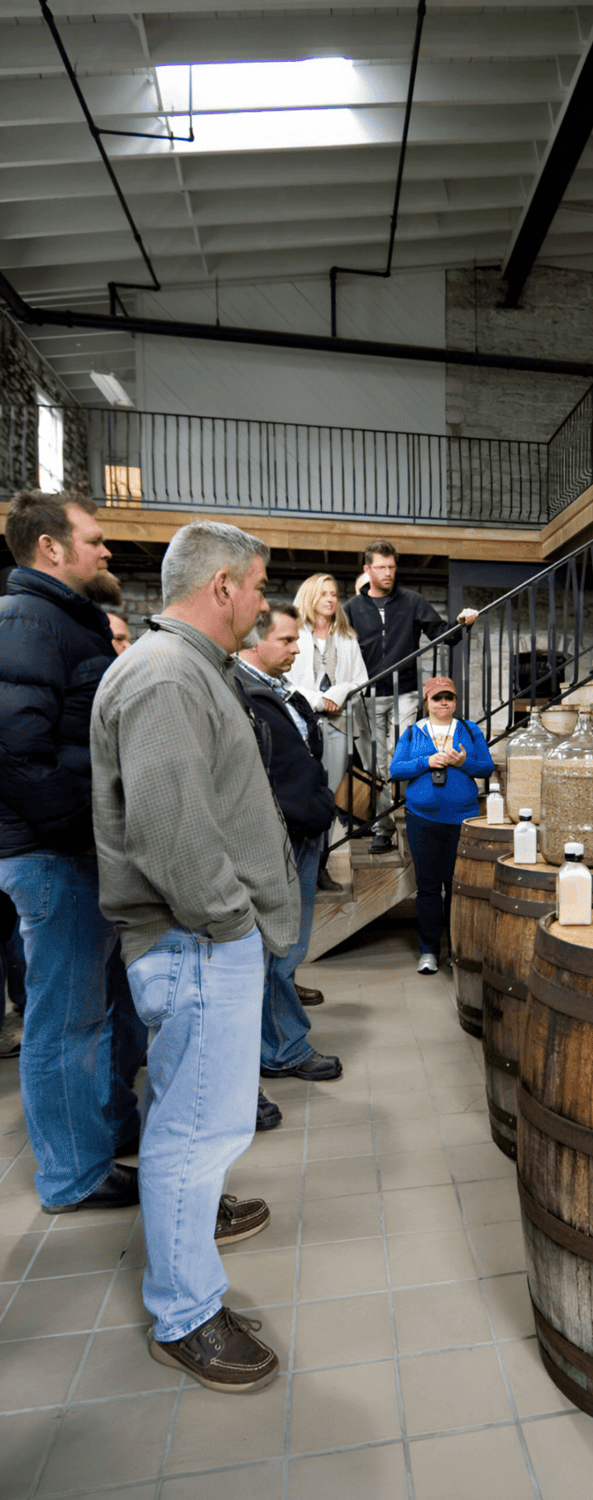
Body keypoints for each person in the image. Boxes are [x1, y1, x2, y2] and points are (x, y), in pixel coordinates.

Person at [90, 519, 300, 1394]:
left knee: (196, 1127)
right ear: (220, 588)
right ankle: (184, 1316)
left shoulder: (184, 670)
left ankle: (187, 1292)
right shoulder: (169, 676)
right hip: (199, 940)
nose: (262, 601)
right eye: (256, 586)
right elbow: (172, 832)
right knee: (191, 1134)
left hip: (203, 940)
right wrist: (231, 925)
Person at [0, 490, 142, 1212]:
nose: (106, 548)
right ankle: (71, 1175)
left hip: (70, 848)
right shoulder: (26, 619)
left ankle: (95, 1143)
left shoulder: (60, 617)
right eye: (94, 537)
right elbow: (18, 756)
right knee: (62, 1024)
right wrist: (83, 830)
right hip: (52, 853)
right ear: (50, 547)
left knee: (87, 1016)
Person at [235, 603, 343, 1089]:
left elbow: (303, 756)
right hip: (277, 836)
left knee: (289, 947)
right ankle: (281, 1049)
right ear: (255, 641)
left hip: (301, 832)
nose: (297, 649)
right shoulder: (239, 689)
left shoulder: (279, 691)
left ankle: (277, 1039)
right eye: (286, 640)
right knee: (277, 947)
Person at [345, 540, 478, 854]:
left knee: (396, 757)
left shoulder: (412, 601)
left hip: (404, 692)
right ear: (367, 570)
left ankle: (407, 815)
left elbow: (444, 634)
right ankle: (383, 827)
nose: (388, 573)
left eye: (392, 567)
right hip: (367, 695)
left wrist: (463, 622)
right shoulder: (351, 609)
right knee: (376, 765)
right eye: (381, 567)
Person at [389, 675, 494, 973]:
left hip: (462, 820)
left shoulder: (469, 730)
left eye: (449, 697)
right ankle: (429, 951)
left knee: (457, 887)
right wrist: (427, 762)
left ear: (456, 701)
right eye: (437, 698)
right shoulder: (413, 732)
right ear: (427, 702)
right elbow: (396, 770)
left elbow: (486, 768)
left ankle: (457, 948)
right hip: (422, 819)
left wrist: (463, 764)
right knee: (428, 887)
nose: (443, 702)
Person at [288, 573, 367, 888]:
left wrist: (341, 691)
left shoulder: (347, 637)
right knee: (299, 796)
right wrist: (318, 699)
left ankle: (319, 868)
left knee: (326, 799)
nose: (331, 599)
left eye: (334, 594)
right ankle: (293, 869)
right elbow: (284, 680)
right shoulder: (294, 633)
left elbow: (361, 679)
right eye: (324, 594)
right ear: (310, 597)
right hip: (300, 722)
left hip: (336, 727)